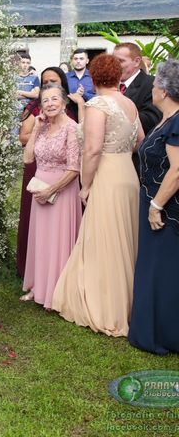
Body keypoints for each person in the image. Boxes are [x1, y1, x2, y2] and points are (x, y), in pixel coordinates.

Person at [52, 54, 144, 336]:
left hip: (106, 175)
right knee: (125, 239)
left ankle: (106, 307)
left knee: (104, 238)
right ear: (117, 76)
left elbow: (91, 150)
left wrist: (86, 184)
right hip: (128, 174)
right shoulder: (129, 104)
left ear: (94, 77)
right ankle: (127, 303)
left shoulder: (97, 105)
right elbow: (140, 141)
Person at [128, 59, 179, 355]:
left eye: (156, 84)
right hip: (153, 200)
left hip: (167, 210)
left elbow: (177, 170)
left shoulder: (177, 122)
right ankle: (152, 329)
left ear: (165, 90)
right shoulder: (166, 119)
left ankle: (164, 335)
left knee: (164, 270)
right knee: (153, 268)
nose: (153, 89)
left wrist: (156, 205)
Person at [16, 67, 84, 280]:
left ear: (64, 102)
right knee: (41, 239)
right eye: (45, 101)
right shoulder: (42, 128)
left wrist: (51, 191)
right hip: (40, 189)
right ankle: (39, 284)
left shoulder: (72, 128)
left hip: (62, 191)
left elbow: (74, 168)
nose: (50, 104)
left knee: (59, 240)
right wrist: (36, 128)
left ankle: (59, 287)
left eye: (55, 99)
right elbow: (28, 159)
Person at [113, 43, 162, 135]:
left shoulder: (152, 84)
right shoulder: (111, 84)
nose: (114, 65)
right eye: (113, 61)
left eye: (120, 61)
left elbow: (151, 119)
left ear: (137, 61)